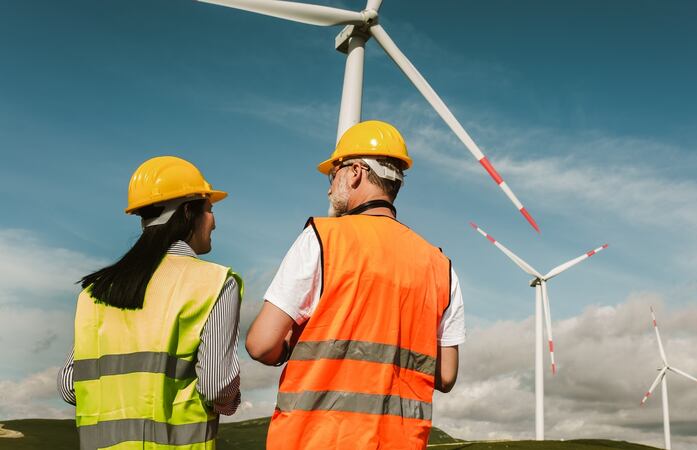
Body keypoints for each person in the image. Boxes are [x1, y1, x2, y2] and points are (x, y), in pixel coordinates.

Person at [246, 120, 466, 449]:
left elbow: (260, 344)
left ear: (355, 172)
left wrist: (291, 346)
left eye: (333, 174)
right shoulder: (440, 266)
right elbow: (445, 375)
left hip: (316, 440)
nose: (329, 188)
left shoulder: (323, 238)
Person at [57, 156, 243, 449]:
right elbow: (216, 386)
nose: (214, 222)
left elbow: (70, 386)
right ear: (187, 212)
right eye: (209, 209)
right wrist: (231, 401)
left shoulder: (96, 291)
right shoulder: (215, 282)